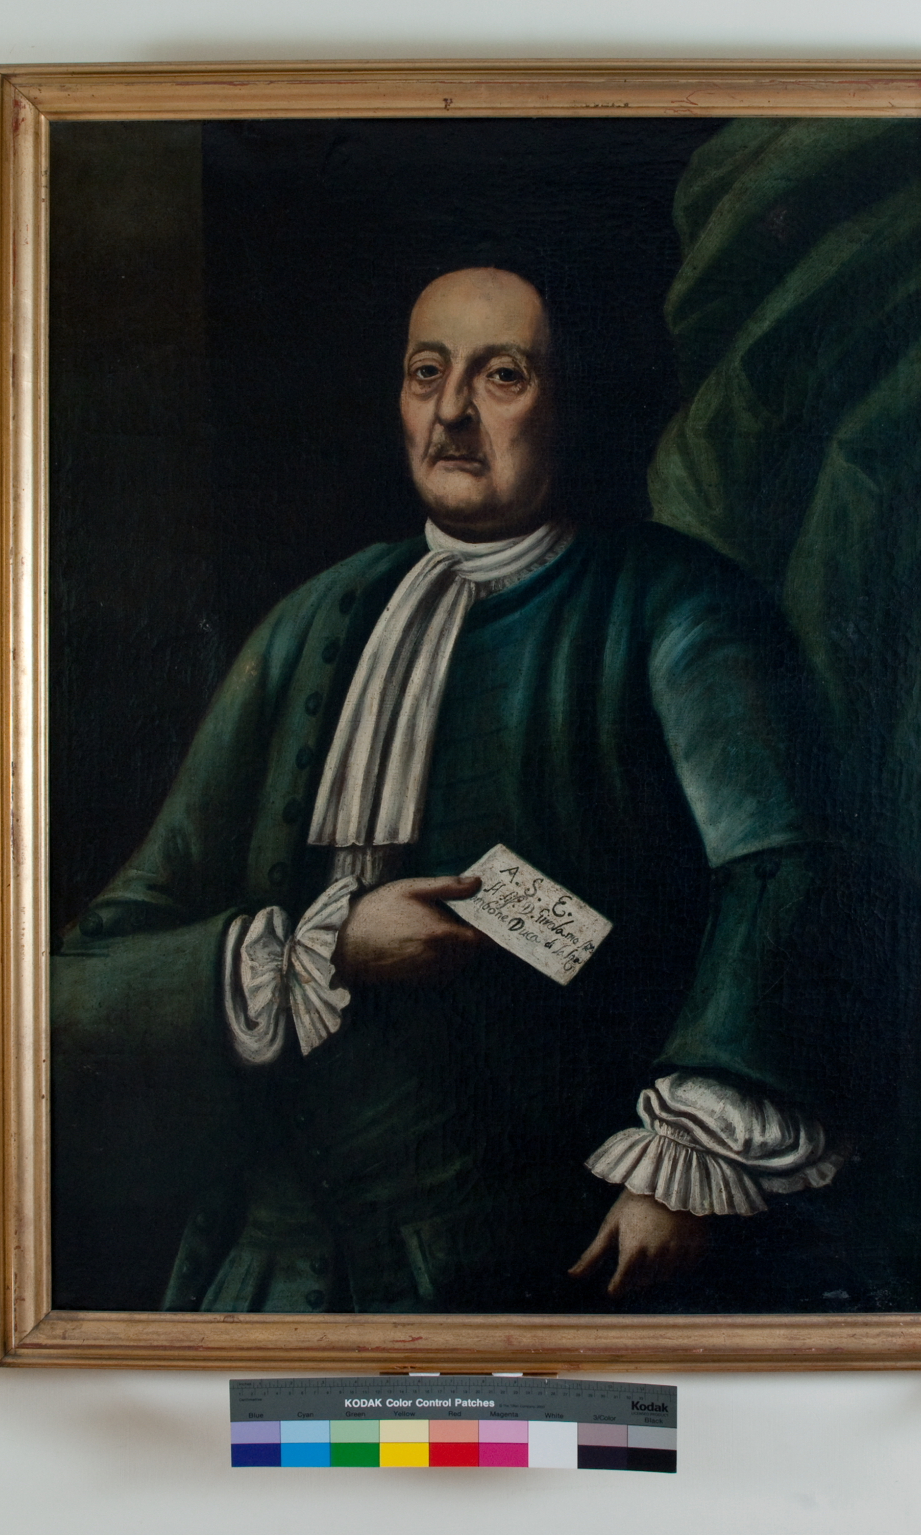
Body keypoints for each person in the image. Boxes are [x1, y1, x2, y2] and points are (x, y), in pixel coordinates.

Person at [52, 267, 844, 1315]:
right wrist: (329, 946)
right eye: (426, 373)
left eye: (501, 375)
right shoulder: (314, 619)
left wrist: (684, 1165)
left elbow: (782, 873)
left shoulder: (675, 606)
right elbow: (97, 965)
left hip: (547, 1255)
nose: (452, 413)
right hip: (283, 1273)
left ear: (572, 402)